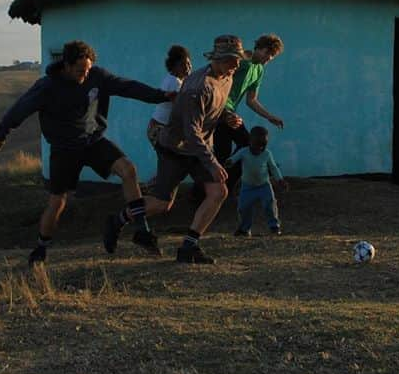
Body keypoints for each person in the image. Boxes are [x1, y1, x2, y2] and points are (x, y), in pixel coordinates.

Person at [0, 40, 174, 267]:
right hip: (64, 149)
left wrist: (160, 96)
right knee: (58, 201)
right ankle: (40, 248)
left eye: (88, 69)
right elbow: (20, 108)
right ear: (66, 65)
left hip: (93, 141)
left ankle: (141, 230)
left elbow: (127, 87)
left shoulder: (97, 76)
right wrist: (2, 133)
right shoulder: (47, 87)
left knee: (128, 170)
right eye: (80, 70)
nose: (85, 74)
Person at [106, 35, 249, 264]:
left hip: (197, 148)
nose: (237, 65)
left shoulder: (227, 78)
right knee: (163, 204)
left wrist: (227, 117)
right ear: (220, 59)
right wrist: (212, 163)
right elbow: (191, 132)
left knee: (218, 192)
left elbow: (212, 110)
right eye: (233, 60)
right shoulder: (198, 86)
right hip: (175, 149)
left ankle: (189, 247)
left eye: (238, 60)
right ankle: (118, 219)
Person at [214, 34, 285, 191]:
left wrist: (270, 117)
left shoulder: (258, 70)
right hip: (219, 110)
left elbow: (251, 100)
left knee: (226, 153)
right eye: (267, 53)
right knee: (244, 145)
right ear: (258, 48)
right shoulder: (242, 60)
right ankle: (214, 190)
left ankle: (218, 189)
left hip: (230, 112)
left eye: (272, 56)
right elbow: (221, 77)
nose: (269, 58)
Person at [229, 126, 288, 236]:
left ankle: (274, 227)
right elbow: (234, 158)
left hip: (264, 186)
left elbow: (273, 168)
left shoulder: (267, 154)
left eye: (263, 146)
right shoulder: (244, 152)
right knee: (243, 207)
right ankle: (244, 229)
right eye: (256, 146)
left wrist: (280, 180)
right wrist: (229, 162)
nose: (259, 149)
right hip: (247, 187)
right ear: (250, 141)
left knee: (269, 205)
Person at [147, 45, 192, 148]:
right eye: (183, 65)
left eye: (189, 64)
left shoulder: (174, 79)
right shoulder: (174, 82)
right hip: (159, 129)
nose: (188, 68)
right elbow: (182, 107)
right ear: (174, 66)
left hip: (158, 128)